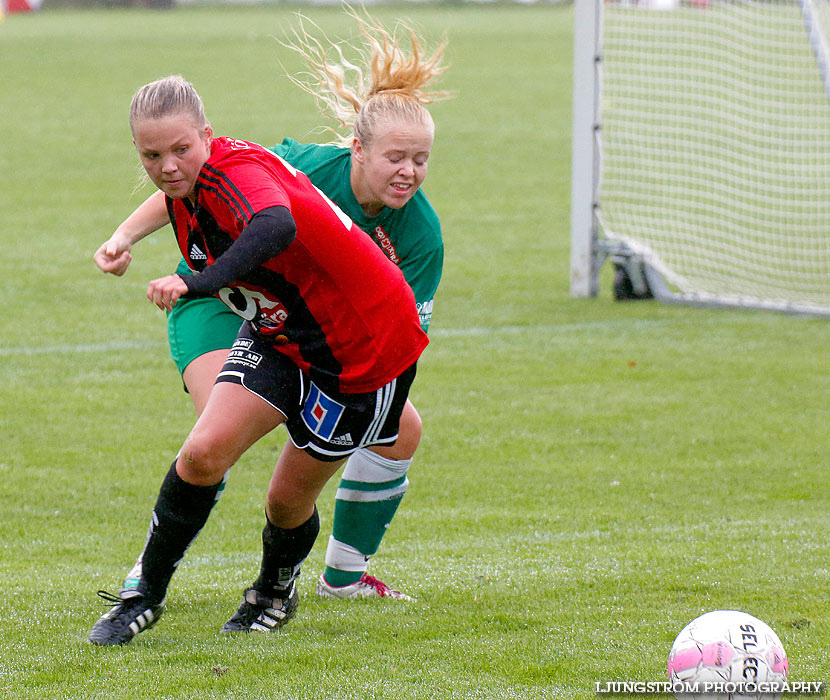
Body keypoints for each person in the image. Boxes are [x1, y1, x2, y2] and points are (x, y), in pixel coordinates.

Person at [96, 8, 449, 603]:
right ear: (357, 150)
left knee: (400, 431)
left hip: (307, 334)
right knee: (215, 438)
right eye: (395, 157)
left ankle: (343, 576)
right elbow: (187, 184)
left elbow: (396, 332)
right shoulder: (307, 168)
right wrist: (124, 236)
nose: (408, 172)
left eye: (420, 160)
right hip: (216, 300)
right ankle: (148, 570)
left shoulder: (420, 236)